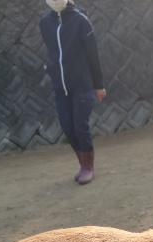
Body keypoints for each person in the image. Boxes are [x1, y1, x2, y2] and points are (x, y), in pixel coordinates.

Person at [40, 0, 106, 185]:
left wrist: (98, 85)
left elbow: (93, 54)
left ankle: (88, 167)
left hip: (82, 85)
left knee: (80, 127)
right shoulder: (44, 23)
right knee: (68, 128)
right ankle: (82, 164)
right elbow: (52, 51)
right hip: (60, 88)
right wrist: (50, 68)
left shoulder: (81, 21)